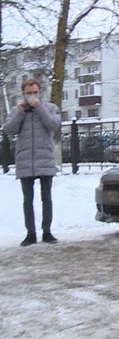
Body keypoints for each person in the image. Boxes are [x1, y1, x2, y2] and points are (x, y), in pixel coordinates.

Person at [3, 78, 61, 247]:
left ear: (40, 92)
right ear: (23, 93)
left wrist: (39, 108)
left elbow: (53, 125)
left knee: (46, 198)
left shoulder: (50, 108)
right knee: (27, 200)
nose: (32, 95)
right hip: (25, 160)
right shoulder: (17, 110)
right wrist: (21, 112)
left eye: (35, 92)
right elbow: (8, 130)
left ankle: (47, 232)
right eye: (29, 93)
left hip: (45, 159)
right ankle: (30, 233)